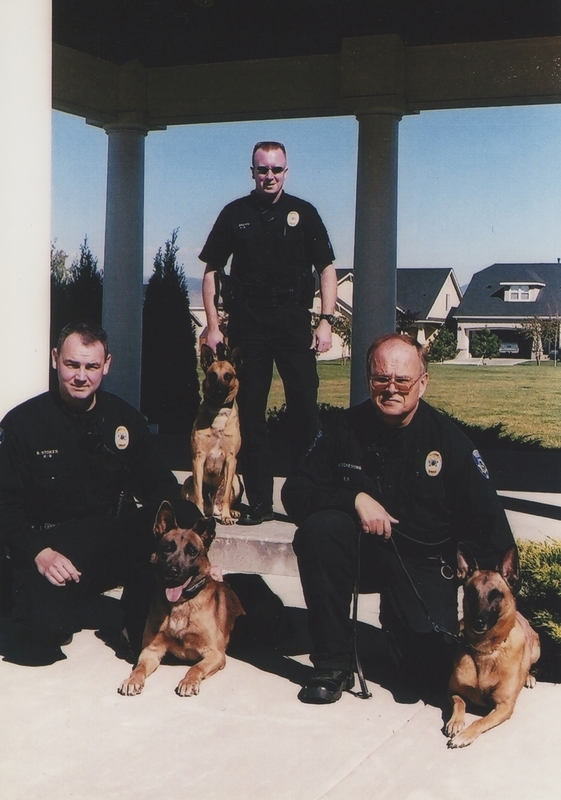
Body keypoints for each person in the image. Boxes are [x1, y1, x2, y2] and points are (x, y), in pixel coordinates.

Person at [281, 333, 515, 703]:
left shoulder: (449, 442)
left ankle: (399, 627)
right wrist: (354, 498)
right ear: (369, 380)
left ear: (422, 383)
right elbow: (294, 493)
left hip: (423, 566)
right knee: (319, 530)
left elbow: (489, 524)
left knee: (425, 679)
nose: (391, 389)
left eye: (402, 380)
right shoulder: (343, 429)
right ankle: (332, 662)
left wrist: (513, 618)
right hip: (360, 555)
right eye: (381, 379)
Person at [0, 322, 200, 665]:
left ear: (106, 364)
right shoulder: (22, 425)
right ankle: (57, 605)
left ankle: (133, 616)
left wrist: (185, 546)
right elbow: (5, 506)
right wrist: (39, 553)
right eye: (72, 365)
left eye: (92, 367)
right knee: (41, 638)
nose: (81, 377)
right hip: (53, 550)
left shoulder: (124, 420)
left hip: (109, 544)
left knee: (184, 511)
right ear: (55, 359)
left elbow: (161, 487)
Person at [200, 141, 338, 525]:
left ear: (286, 171)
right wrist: (212, 326)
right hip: (249, 324)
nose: (270, 176)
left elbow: (326, 269)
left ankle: (306, 499)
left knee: (305, 410)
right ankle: (259, 503)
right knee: (252, 414)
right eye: (263, 170)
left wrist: (325, 320)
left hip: (293, 321)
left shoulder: (304, 213)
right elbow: (211, 269)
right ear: (253, 172)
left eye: (277, 170)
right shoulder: (235, 213)